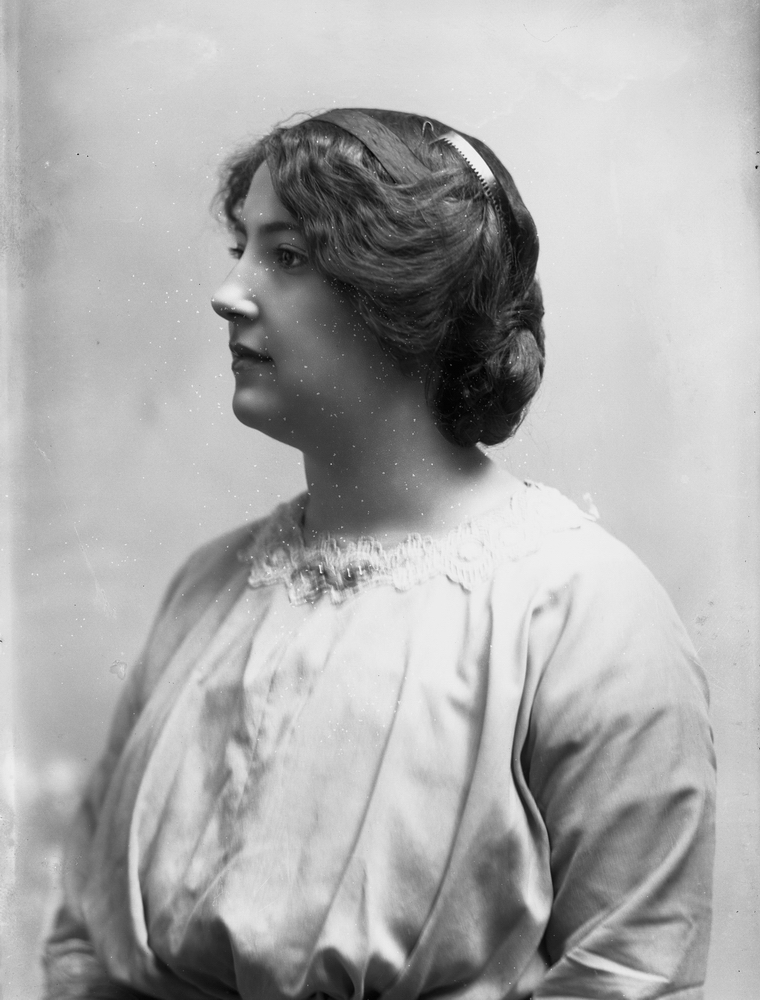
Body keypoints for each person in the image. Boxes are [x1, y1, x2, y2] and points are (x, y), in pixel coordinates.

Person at [42, 109, 716, 1000]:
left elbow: (632, 970)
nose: (229, 292)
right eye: (243, 247)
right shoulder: (208, 586)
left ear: (402, 301)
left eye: (287, 256)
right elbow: (85, 935)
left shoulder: (586, 611)